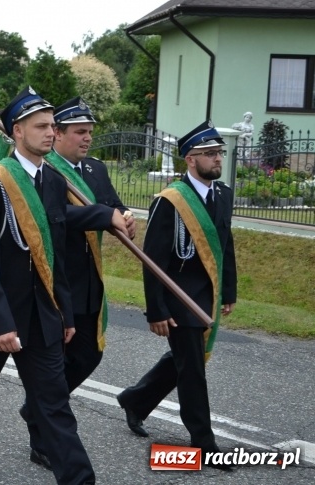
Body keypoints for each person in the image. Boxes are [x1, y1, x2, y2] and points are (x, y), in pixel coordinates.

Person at [0, 87, 95, 485]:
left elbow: (54, 254)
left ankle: (78, 479)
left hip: (41, 314)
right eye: (41, 126)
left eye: (53, 126)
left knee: (54, 402)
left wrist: (65, 312)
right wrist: (2, 324)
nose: (50, 133)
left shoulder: (55, 183)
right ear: (17, 132)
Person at [20, 97, 134, 469]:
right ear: (59, 134)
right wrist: (103, 215)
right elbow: (55, 216)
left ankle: (37, 406)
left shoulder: (95, 169)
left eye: (90, 133)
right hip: (55, 279)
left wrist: (123, 216)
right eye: (79, 132)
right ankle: (42, 437)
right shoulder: (44, 170)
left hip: (88, 284)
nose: (87, 139)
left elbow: (112, 206)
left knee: (89, 354)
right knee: (52, 365)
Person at [116, 121, 237, 471]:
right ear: (190, 159)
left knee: (186, 361)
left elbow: (225, 247)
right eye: (210, 154)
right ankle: (205, 443)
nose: (217, 159)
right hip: (180, 297)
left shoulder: (223, 194)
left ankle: (135, 400)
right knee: (193, 371)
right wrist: (156, 309)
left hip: (207, 296)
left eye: (219, 153)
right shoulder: (170, 201)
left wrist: (228, 290)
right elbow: (153, 259)